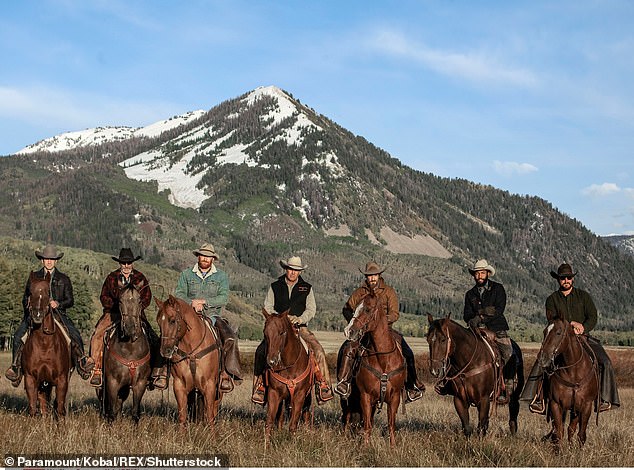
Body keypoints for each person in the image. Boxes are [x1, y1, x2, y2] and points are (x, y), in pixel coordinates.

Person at [521, 262, 620, 415]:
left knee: (605, 361)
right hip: (561, 339)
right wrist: (568, 326)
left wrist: (583, 327)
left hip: (583, 337)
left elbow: (592, 316)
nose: (565, 281)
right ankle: (537, 399)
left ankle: (603, 399)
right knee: (543, 360)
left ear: (572, 279)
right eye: (562, 278)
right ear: (558, 280)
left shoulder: (583, 296)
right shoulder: (552, 299)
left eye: (568, 278)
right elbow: (552, 321)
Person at [334, 261, 425, 403]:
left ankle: (412, 386)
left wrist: (380, 322)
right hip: (363, 331)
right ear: (366, 277)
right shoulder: (360, 292)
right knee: (348, 348)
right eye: (369, 276)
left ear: (379, 275)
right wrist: (354, 323)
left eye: (374, 275)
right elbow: (346, 309)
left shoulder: (388, 291)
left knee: (407, 352)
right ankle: (344, 382)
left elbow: (395, 314)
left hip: (386, 330)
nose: (372, 278)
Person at [5, 244, 94, 386]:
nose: (49, 261)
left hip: (58, 314)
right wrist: (29, 305)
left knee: (74, 333)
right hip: (36, 314)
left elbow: (70, 300)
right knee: (17, 337)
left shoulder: (63, 279)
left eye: (52, 259)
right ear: (42, 260)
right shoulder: (34, 277)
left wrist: (58, 304)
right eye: (46, 259)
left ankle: (82, 363)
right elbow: (24, 298)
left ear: (56, 261)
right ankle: (16, 368)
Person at [251, 256, 334, 405]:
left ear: (300, 272)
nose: (293, 273)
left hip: (299, 328)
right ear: (286, 269)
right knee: (261, 351)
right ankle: (260, 387)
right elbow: (268, 306)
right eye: (290, 269)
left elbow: (311, 309)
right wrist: (280, 318)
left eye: (296, 270)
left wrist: (300, 319)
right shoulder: (275, 286)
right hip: (278, 328)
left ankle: (323, 385)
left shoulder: (307, 288)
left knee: (318, 350)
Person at [88, 248, 167, 389]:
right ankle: (96, 369)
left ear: (132, 263)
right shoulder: (111, 278)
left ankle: (155, 373)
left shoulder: (140, 278)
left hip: (136, 314)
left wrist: (136, 307)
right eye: (123, 263)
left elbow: (147, 297)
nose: (126, 266)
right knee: (98, 335)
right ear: (119, 263)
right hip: (113, 313)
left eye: (128, 263)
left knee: (153, 338)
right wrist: (118, 305)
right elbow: (104, 296)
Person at [175, 243, 242, 392]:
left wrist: (204, 302)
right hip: (188, 316)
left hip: (212, 316)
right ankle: (160, 372)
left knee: (230, 338)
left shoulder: (221, 276)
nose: (205, 259)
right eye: (203, 255)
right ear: (198, 256)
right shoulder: (186, 274)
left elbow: (223, 298)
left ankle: (226, 373)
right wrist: (191, 303)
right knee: (168, 333)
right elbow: (179, 294)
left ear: (213, 259)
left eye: (208, 256)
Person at [463, 259, 514, 404]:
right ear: (474, 275)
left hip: (497, 328)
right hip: (476, 331)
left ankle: (507, 386)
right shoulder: (470, 294)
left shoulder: (498, 289)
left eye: (482, 273)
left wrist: (479, 315)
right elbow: (466, 315)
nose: (479, 276)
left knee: (508, 353)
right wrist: (484, 313)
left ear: (487, 274)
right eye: (477, 273)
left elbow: (498, 310)